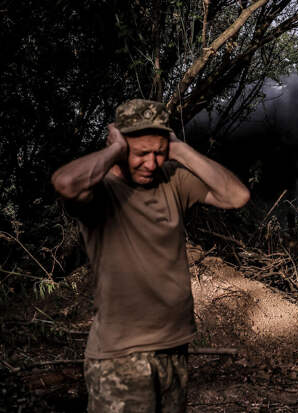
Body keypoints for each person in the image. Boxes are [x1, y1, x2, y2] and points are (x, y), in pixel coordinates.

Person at [51, 99, 250, 413]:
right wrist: (116, 150)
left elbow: (237, 196)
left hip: (174, 346)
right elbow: (66, 184)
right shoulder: (101, 192)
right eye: (141, 153)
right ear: (118, 145)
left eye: (159, 152)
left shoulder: (172, 180)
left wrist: (181, 150)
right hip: (121, 357)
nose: (151, 163)